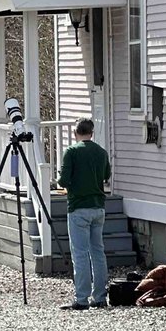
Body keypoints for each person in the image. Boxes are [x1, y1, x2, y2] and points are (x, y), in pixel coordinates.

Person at [58, 118, 112, 310]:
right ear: (92, 132)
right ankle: (99, 297)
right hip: (98, 207)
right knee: (98, 252)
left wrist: (61, 177)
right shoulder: (101, 152)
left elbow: (63, 181)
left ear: (75, 133)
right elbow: (106, 176)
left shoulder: (71, 152)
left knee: (80, 254)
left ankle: (81, 298)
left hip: (78, 207)